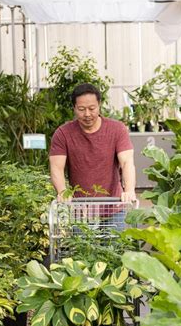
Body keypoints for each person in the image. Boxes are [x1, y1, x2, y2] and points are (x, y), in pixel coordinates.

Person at [49, 82, 136, 229]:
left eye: (92, 108)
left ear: (99, 105)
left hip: (114, 207)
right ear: (74, 108)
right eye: (82, 109)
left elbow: (127, 162)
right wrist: (62, 191)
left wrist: (129, 190)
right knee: (82, 250)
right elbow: (56, 168)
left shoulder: (117, 130)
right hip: (81, 210)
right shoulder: (63, 133)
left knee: (115, 249)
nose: (87, 114)